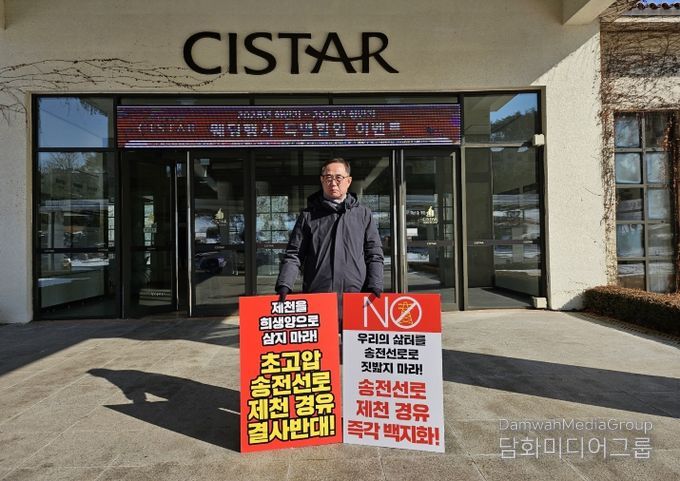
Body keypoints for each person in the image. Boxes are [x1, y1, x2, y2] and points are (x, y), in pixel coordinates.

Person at [275, 158, 384, 323]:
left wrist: (375, 284)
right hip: (318, 295)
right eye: (328, 177)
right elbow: (294, 254)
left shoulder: (363, 214)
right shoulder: (308, 216)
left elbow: (374, 253)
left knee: (353, 339)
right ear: (322, 180)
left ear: (348, 181)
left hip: (356, 296)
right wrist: (285, 284)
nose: (333, 182)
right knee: (322, 339)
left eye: (338, 177)